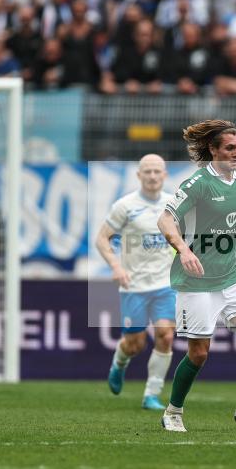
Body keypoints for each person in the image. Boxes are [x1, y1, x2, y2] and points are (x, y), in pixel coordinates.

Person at [156, 119, 236, 432]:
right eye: (229, 148)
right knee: (199, 354)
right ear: (213, 150)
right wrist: (184, 251)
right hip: (197, 281)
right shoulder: (197, 184)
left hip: (229, 276)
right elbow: (165, 221)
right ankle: (173, 412)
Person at [94, 154, 177, 411]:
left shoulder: (174, 204)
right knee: (135, 344)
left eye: (157, 171)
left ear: (164, 175)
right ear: (139, 175)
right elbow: (102, 239)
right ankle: (119, 363)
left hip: (165, 284)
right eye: (147, 171)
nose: (152, 176)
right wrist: (116, 266)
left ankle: (152, 394)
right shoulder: (125, 206)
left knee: (165, 335)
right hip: (134, 286)